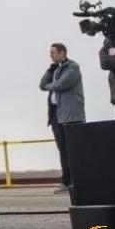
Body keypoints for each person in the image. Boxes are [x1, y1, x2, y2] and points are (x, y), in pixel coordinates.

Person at [39, 42, 84, 194]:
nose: (50, 55)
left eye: (53, 52)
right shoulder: (55, 70)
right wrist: (49, 71)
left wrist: (49, 85)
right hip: (56, 115)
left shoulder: (73, 68)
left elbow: (61, 84)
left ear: (62, 52)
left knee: (74, 149)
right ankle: (66, 181)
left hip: (70, 115)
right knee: (63, 150)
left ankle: (78, 181)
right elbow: (42, 84)